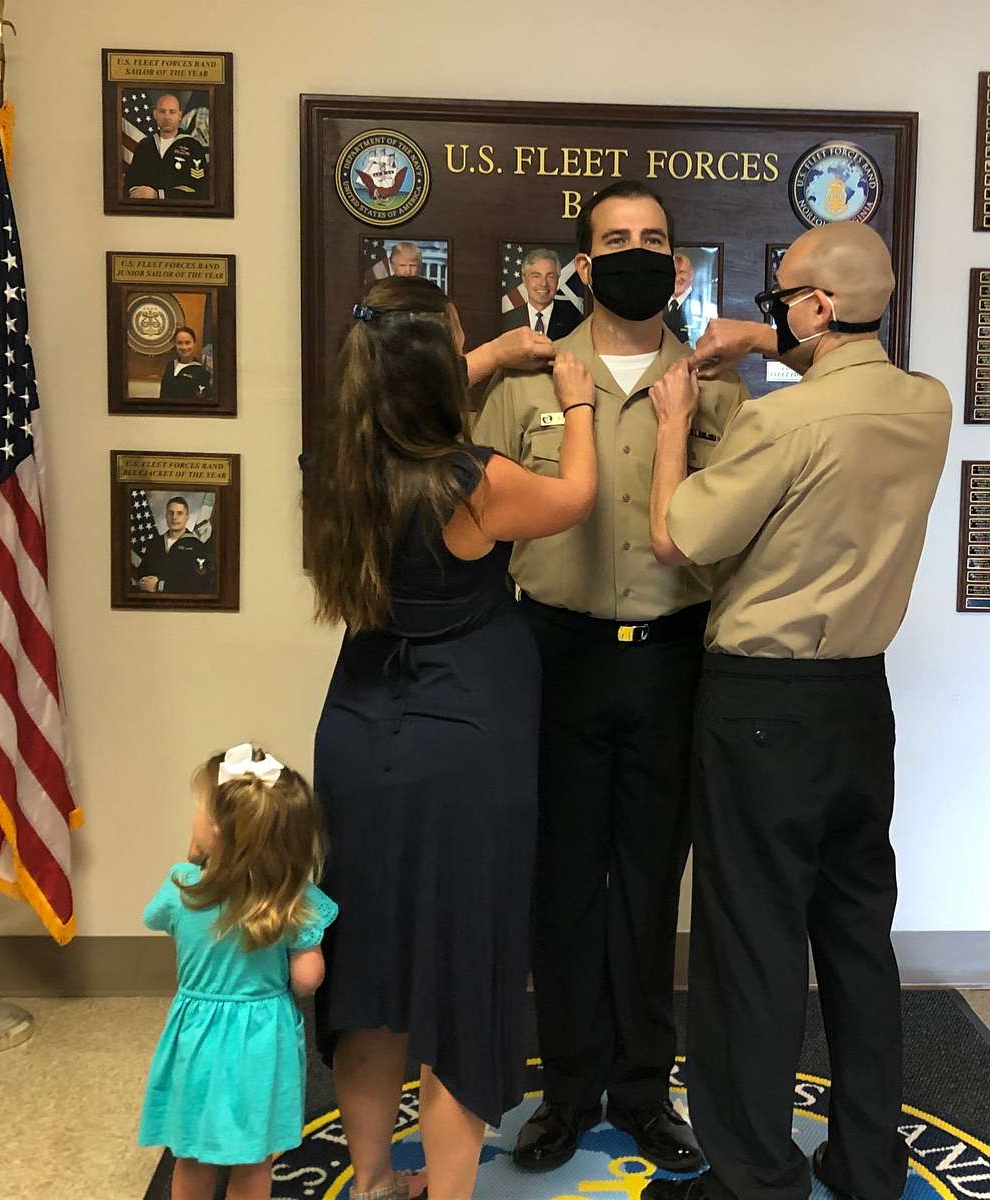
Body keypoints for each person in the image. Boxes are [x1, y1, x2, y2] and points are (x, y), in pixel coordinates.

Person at [640, 222, 951, 1200]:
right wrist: (764, 339)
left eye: (784, 297)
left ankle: (750, 1178)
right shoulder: (926, 405)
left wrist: (669, 421)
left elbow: (675, 535)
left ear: (817, 306)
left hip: (760, 707)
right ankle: (866, 1166)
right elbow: (844, 372)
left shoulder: (781, 425)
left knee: (750, 947)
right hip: (859, 703)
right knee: (855, 938)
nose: (773, 310)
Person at [473, 180, 748, 1175]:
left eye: (654, 241)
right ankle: (566, 1091)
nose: (635, 254)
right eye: (613, 240)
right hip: (554, 660)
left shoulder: (713, 388)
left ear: (677, 267)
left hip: (673, 662)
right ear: (582, 266)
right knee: (562, 888)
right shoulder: (525, 380)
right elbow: (463, 521)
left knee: (646, 885)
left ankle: (642, 1091)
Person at [305, 275, 597, 1200]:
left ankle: (371, 1181)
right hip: (464, 747)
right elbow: (578, 495)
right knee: (459, 977)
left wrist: (485, 354)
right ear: (438, 367)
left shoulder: (333, 470)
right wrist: (578, 403)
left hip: (357, 738)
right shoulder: (480, 483)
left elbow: (398, 395)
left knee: (370, 972)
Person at [138, 743, 340, 1200]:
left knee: (192, 1153)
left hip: (197, 1036)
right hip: (260, 1041)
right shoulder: (293, 898)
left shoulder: (183, 887)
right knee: (253, 1159)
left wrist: (195, 862)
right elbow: (307, 980)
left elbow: (156, 918)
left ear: (214, 830)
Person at [125, 92, 211, 201]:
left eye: (172, 112)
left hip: (180, 214)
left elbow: (199, 191)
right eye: (162, 112)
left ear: (180, 115)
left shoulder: (193, 146)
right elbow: (131, 182)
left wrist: (159, 195)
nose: (167, 117)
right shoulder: (144, 146)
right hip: (146, 212)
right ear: (155, 114)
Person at [135, 496, 216, 595]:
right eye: (171, 513)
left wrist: (160, 585)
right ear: (166, 516)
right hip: (153, 604)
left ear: (187, 518)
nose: (174, 517)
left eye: (179, 513)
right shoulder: (154, 543)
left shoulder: (197, 546)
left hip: (183, 606)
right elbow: (142, 573)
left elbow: (200, 583)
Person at [502, 248, 582, 339]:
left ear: (558, 280)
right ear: (524, 280)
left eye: (550, 276)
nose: (544, 283)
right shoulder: (508, 321)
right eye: (536, 276)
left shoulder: (575, 321)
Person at [159, 326, 212, 401]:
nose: (184, 347)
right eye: (180, 343)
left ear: (194, 343)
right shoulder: (170, 366)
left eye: (187, 343)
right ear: (175, 345)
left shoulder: (202, 371)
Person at [662, 252, 693, 344]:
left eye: (682, 272)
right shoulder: (656, 303)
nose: (676, 278)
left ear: (691, 274)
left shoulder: (703, 306)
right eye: (672, 273)